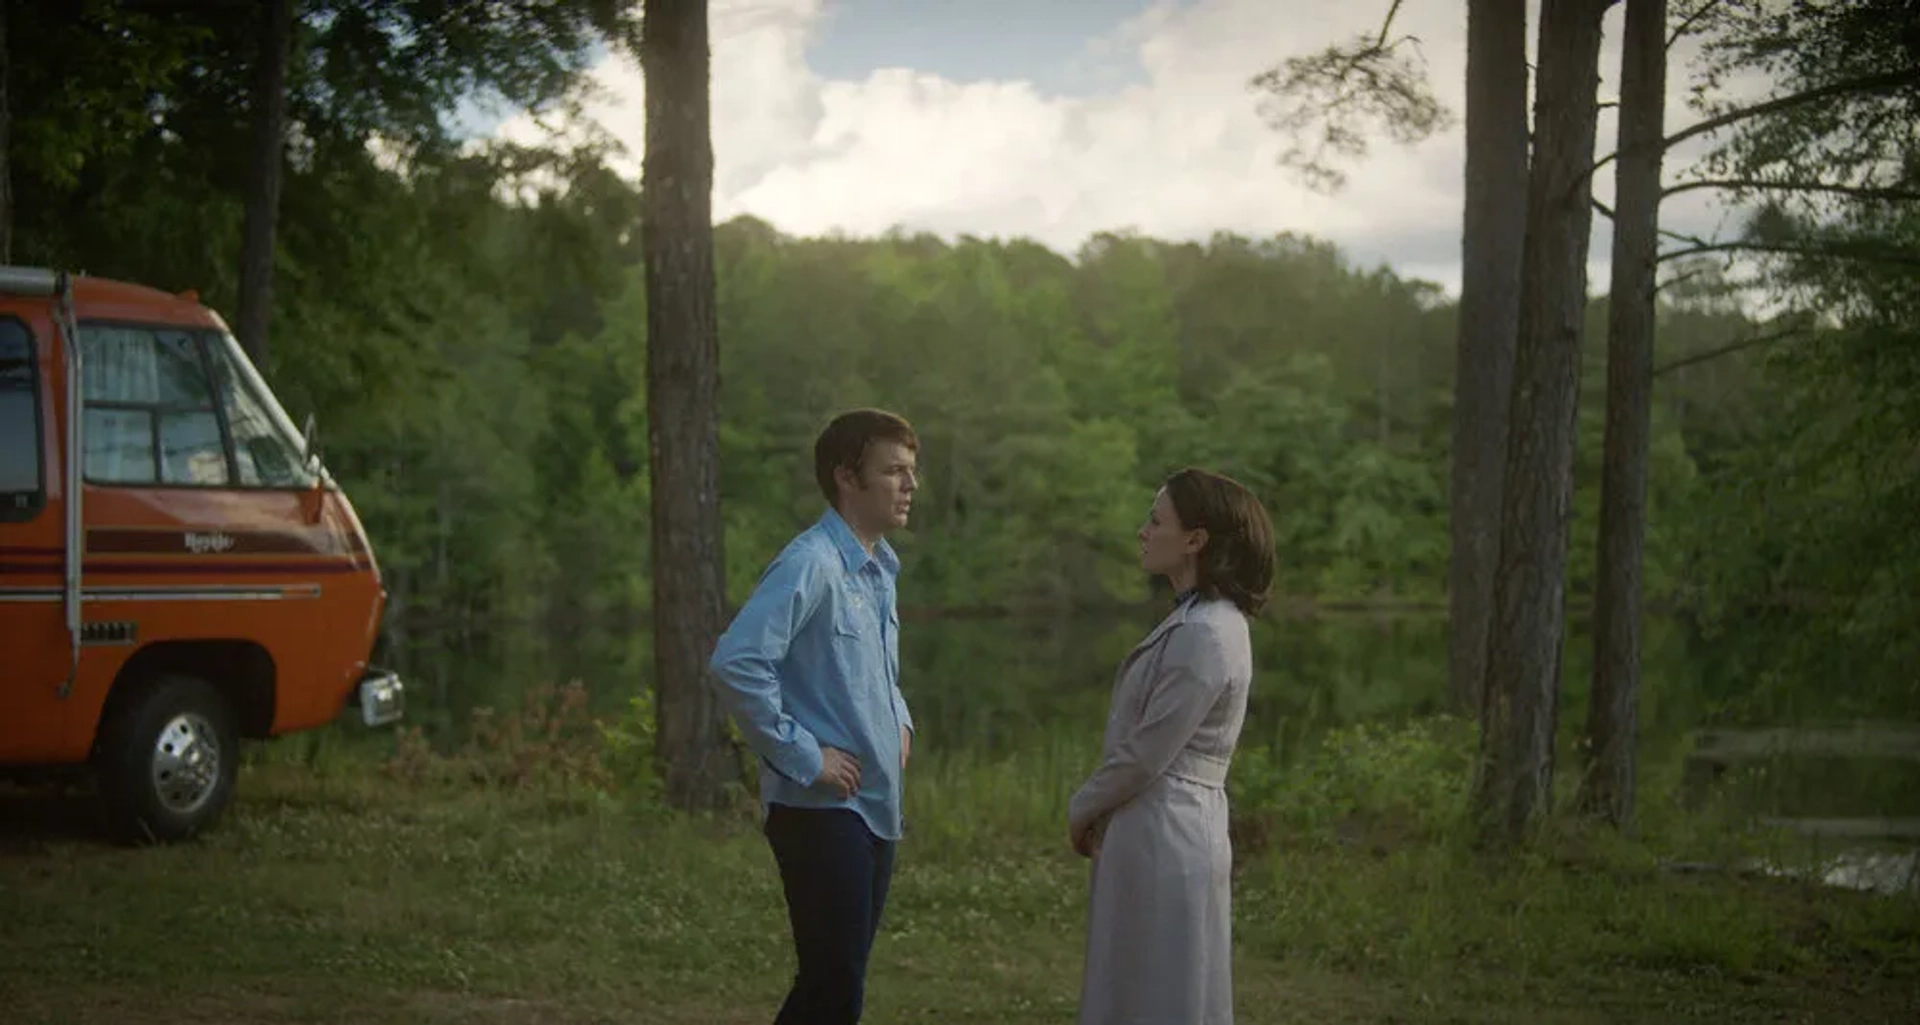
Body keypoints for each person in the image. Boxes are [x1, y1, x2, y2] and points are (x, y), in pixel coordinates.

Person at [709, 408, 920, 1025]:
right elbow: (737, 664)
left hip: (876, 807)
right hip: (822, 814)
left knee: (832, 983)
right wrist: (805, 756)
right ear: (847, 478)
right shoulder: (812, 564)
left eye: (913, 472)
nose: (910, 485)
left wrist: (900, 721)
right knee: (834, 989)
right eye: (894, 471)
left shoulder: (879, 568)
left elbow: (879, 674)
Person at [1066, 467, 1276, 1025]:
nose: (1142, 531)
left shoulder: (1207, 632)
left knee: (1163, 988)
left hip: (1169, 826)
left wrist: (1083, 808)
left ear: (1195, 539)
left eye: (1155, 520)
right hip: (1163, 824)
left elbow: (1144, 754)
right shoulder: (1196, 620)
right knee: (1143, 981)